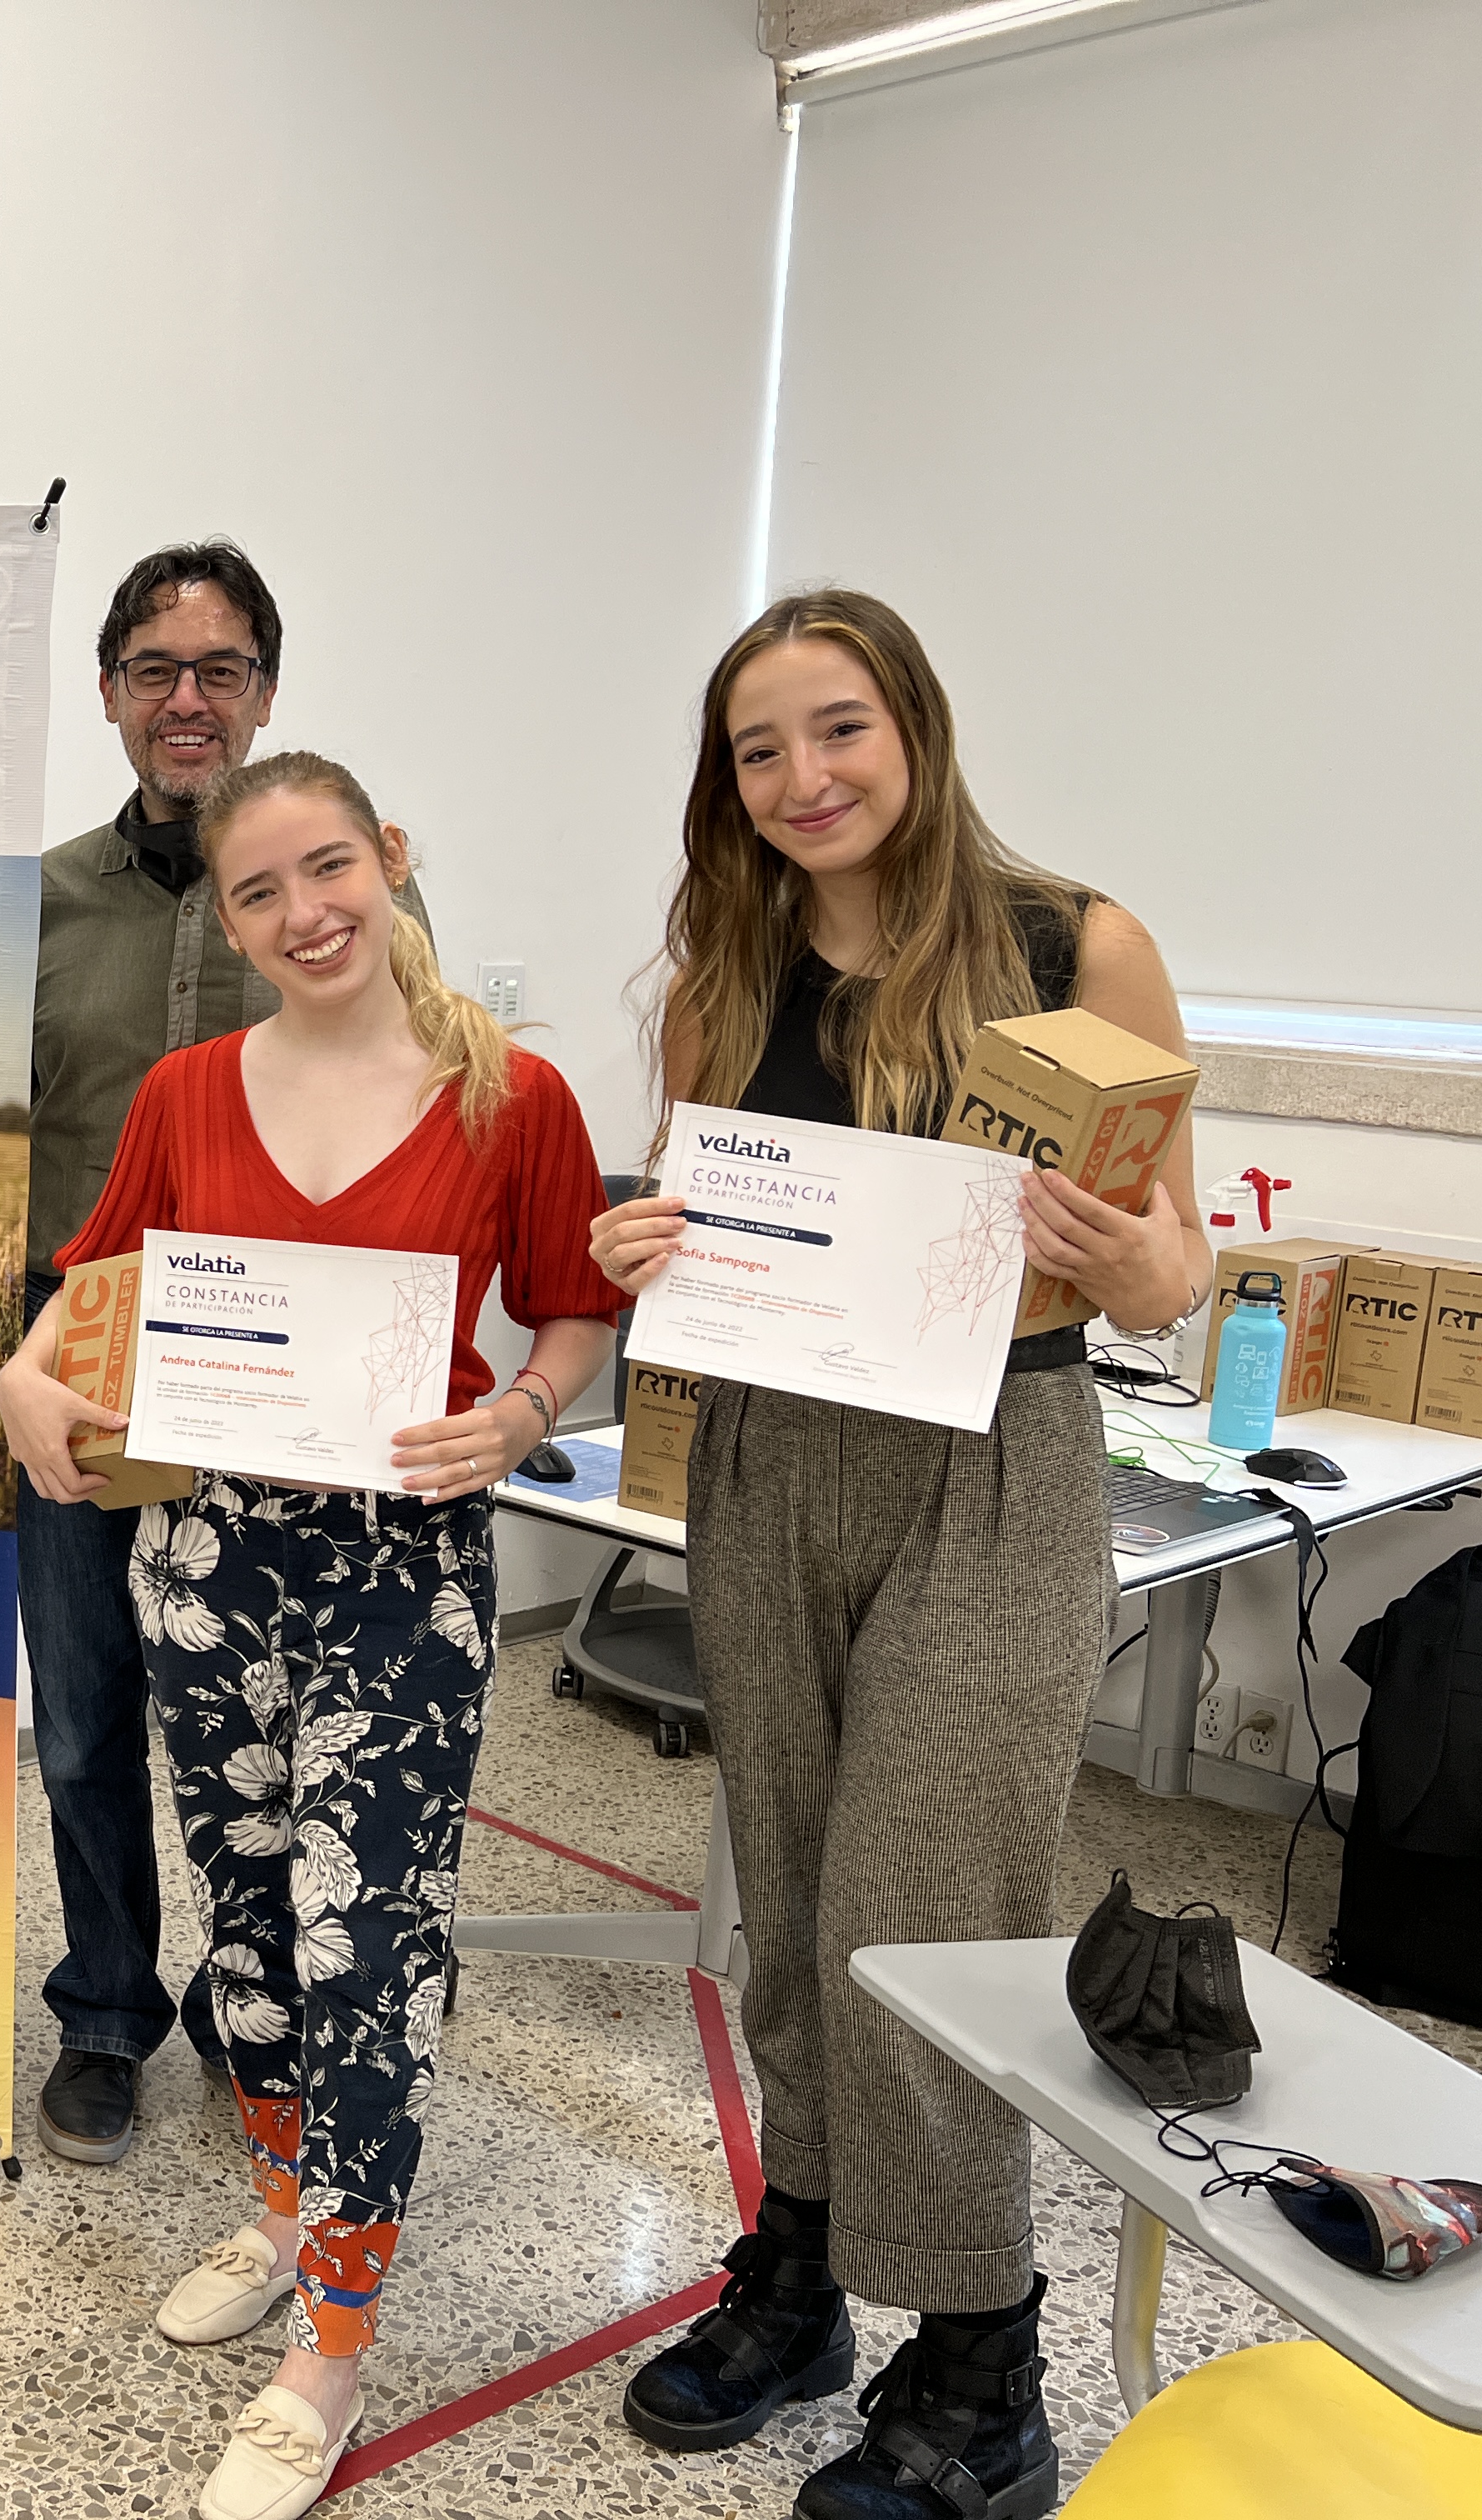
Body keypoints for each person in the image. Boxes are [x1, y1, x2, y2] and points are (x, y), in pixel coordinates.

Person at [591, 591, 1207, 2520]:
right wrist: (640, 1254)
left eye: (838, 730)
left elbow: (1182, 1272)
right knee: (790, 1893)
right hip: (774, 1462)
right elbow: (694, 1227)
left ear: (917, 731)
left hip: (998, 1466)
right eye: (759, 751)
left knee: (919, 1928)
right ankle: (801, 2276)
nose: (804, 779)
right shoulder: (720, 975)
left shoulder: (1074, 945)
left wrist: (1134, 1266)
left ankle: (979, 2369)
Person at [0, 751, 618, 2520]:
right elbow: (93, 1286)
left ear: (391, 856)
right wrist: (30, 1372)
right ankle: (282, 2213)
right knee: (255, 1914)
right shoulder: (193, 1090)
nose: (304, 914)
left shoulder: (514, 1095)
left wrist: (521, 1410)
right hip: (208, 1558)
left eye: (329, 867)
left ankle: (330, 2347)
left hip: (401, 1564)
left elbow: (572, 1299)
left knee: (369, 1940)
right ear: (227, 914)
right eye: (260, 892)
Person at [14, 541, 440, 2168]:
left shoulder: (351, 902)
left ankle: (263, 1996)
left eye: (223, 670)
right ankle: (111, 2008)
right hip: (96, 1369)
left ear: (267, 691)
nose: (188, 699)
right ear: (111, 694)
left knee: (272, 1715)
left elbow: (433, 1106)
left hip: (296, 1379)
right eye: (155, 670)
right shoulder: (34, 905)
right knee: (89, 1709)